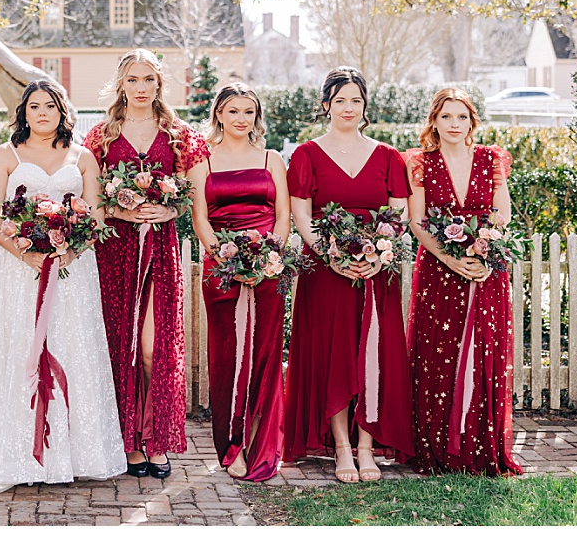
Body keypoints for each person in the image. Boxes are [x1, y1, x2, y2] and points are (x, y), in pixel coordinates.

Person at [0, 80, 125, 496]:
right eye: (33, 107)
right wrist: (25, 254)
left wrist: (69, 252)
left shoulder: (83, 157)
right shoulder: (5, 156)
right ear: (23, 113)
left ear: (64, 112)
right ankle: (12, 452)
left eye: (50, 106)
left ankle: (75, 454)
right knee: (14, 346)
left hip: (71, 270)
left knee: (71, 345)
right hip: (15, 269)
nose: (41, 113)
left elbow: (95, 217)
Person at [82, 49, 209, 478]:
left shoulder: (178, 134)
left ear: (159, 84)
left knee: (154, 347)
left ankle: (155, 437)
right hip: (115, 251)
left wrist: (170, 211)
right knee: (121, 346)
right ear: (121, 84)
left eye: (148, 80)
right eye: (133, 79)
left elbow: (195, 195)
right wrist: (118, 212)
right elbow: (90, 195)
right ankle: (127, 441)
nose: (140, 87)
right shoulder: (101, 135)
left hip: (159, 246)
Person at [285, 66, 414, 483]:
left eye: (355, 100)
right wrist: (330, 253)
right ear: (326, 106)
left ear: (365, 107)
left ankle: (366, 445)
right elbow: (301, 215)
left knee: (373, 353)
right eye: (339, 100)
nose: (348, 107)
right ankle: (341, 446)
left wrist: (380, 254)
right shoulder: (306, 155)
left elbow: (399, 214)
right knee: (333, 354)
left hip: (377, 271)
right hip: (326, 272)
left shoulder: (388, 156)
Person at [404, 89, 523, 476]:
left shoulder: (491, 159)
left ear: (472, 121)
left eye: (462, 117)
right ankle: (437, 447)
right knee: (438, 352)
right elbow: (417, 221)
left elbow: (501, 211)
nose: (454, 124)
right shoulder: (421, 162)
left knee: (482, 350)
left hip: (486, 266)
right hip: (439, 268)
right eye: (446, 117)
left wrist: (484, 251)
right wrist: (452, 259)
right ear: (433, 121)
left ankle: (478, 447)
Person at [188, 84, 289, 481]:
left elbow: (282, 215)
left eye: (249, 111)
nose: (241, 118)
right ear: (219, 115)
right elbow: (200, 221)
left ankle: (262, 442)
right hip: (221, 271)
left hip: (268, 269)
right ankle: (231, 447)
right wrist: (226, 257)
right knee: (228, 357)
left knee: (264, 357)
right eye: (233, 111)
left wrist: (269, 256)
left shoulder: (272, 158)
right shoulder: (203, 162)